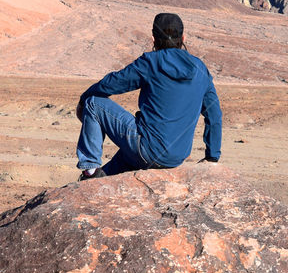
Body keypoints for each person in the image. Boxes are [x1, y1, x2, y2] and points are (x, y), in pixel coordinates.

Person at [75, 12, 223, 180]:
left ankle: (90, 169)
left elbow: (113, 83)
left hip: (146, 149)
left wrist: (83, 100)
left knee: (94, 103)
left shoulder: (151, 62)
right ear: (183, 38)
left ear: (153, 38)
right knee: (112, 170)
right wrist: (212, 156)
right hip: (175, 158)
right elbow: (214, 115)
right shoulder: (201, 69)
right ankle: (96, 179)